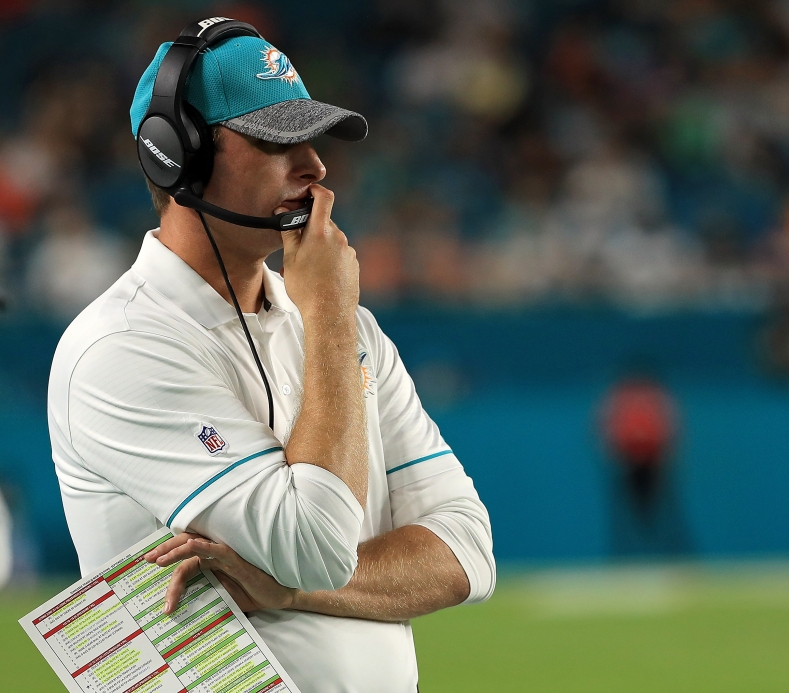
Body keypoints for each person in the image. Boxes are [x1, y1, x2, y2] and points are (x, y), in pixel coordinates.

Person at [47, 25, 494, 693]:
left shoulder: (352, 329)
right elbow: (312, 545)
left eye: (309, 140)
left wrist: (288, 591)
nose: (314, 167)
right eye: (274, 140)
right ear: (176, 156)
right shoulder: (120, 347)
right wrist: (331, 323)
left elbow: (467, 554)